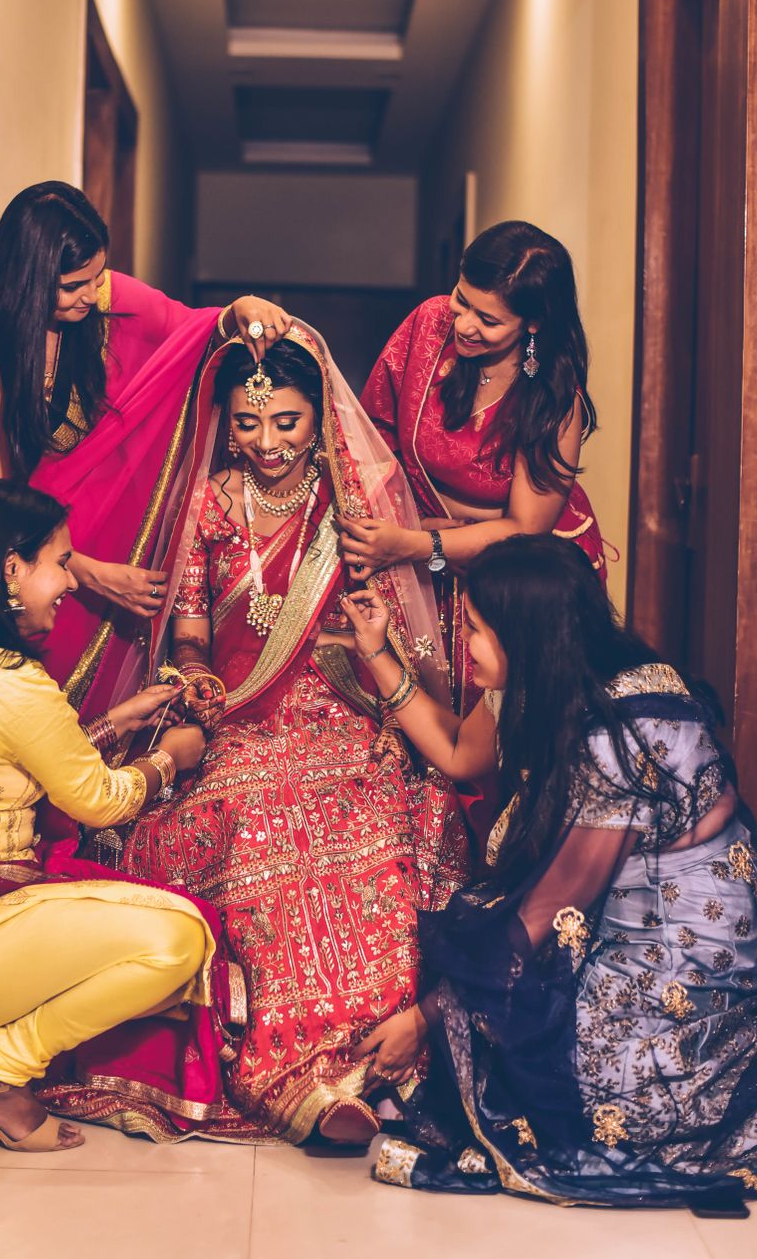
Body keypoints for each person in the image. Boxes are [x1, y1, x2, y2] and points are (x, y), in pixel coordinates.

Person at [70, 327, 471, 1146]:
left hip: (339, 707)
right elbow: (188, 635)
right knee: (252, 827)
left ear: (318, 418)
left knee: (367, 818)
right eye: (249, 424)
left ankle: (375, 1065)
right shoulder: (210, 502)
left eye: (288, 422)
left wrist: (369, 659)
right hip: (242, 717)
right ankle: (289, 1079)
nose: (268, 443)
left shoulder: (347, 504)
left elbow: (387, 620)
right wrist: (198, 676)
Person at [342, 537, 757, 1206]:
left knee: (573, 1082)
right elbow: (456, 752)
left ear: (524, 634)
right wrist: (377, 652)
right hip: (622, 919)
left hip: (685, 957)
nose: (465, 647)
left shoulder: (618, 731)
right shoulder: (554, 682)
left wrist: (427, 1016)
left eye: (475, 630)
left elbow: (548, 915)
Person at [0, 480, 228, 1180]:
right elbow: (100, 799)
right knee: (180, 939)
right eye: (60, 561)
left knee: (154, 921)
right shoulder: (8, 681)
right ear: (10, 569)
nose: (67, 583)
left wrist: (116, 722)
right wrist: (170, 759)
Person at [0, 180, 291, 717]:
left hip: (111, 543)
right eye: (74, 285)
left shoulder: (101, 298)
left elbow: (188, 333)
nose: (93, 295)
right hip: (39, 571)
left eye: (99, 276)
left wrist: (239, 309)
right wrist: (90, 571)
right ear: (29, 281)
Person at [353, 220, 606, 719]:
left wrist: (415, 542)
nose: (464, 324)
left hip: (512, 575)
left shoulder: (552, 398)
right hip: (418, 547)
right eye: (461, 300)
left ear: (532, 324)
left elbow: (523, 530)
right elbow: (371, 433)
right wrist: (402, 519)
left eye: (488, 320)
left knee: (494, 731)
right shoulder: (427, 324)